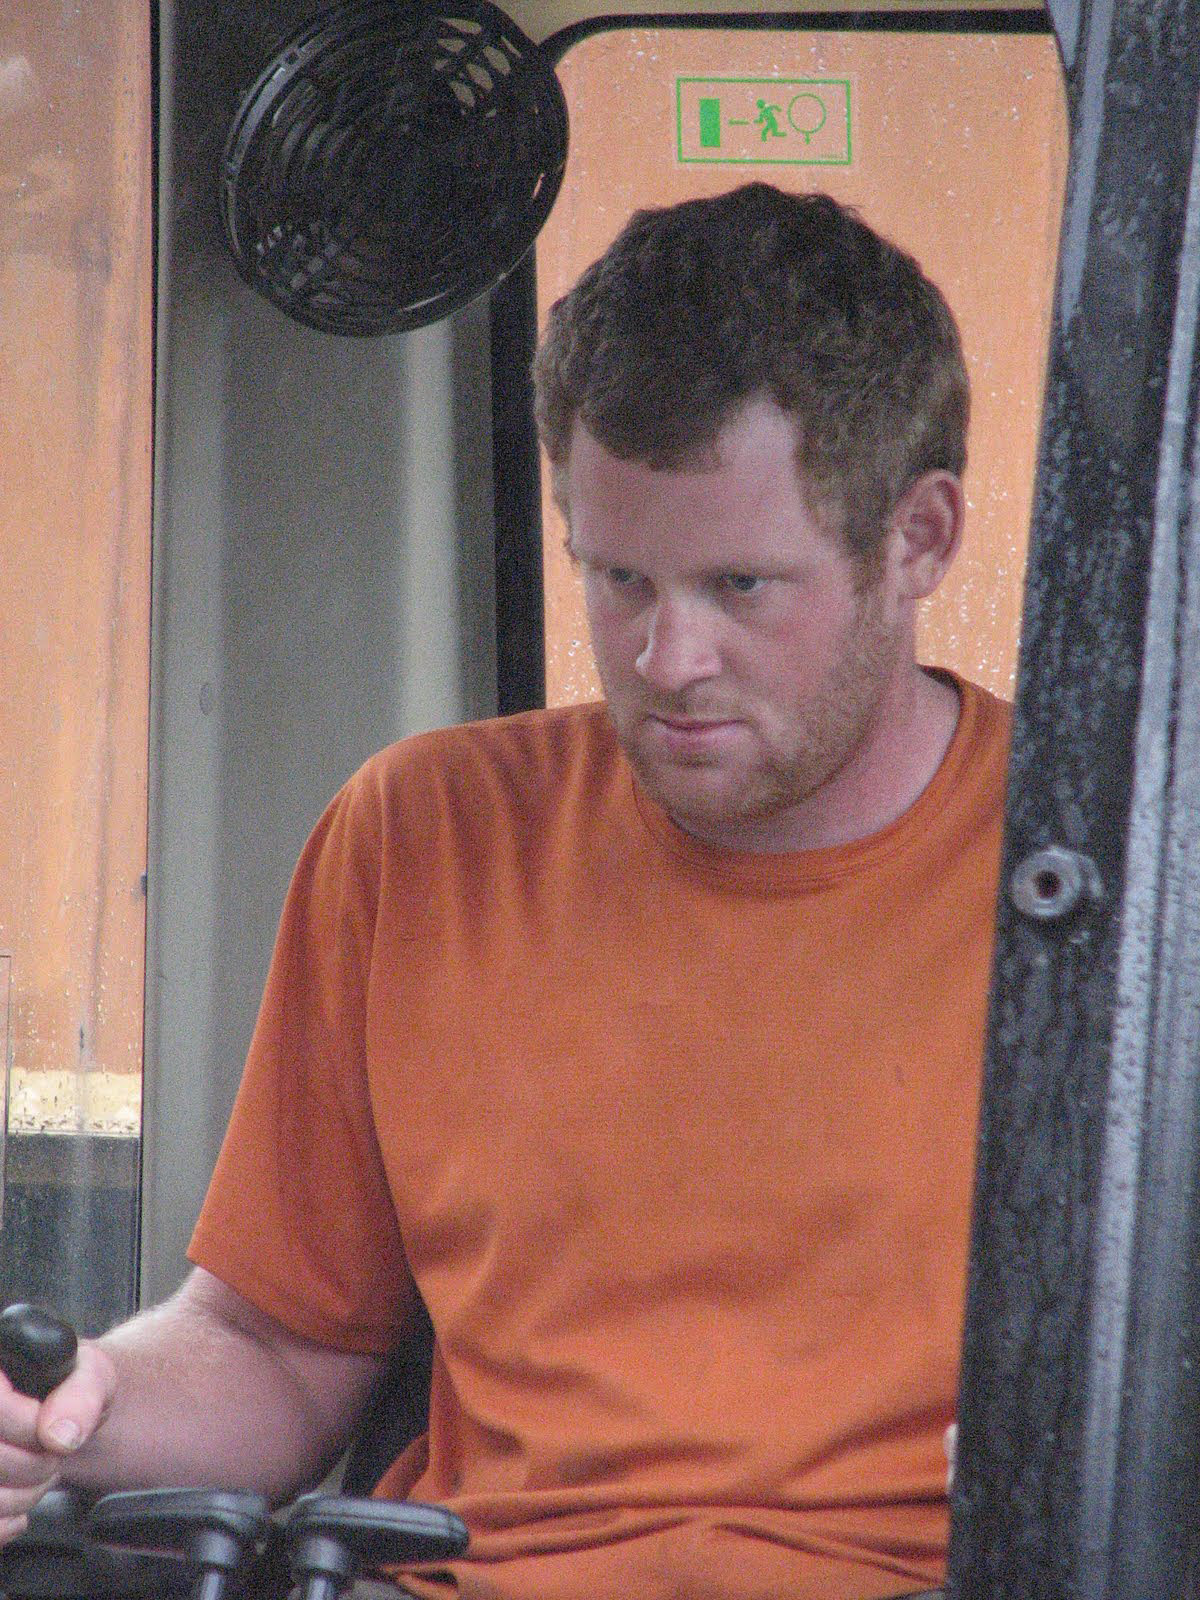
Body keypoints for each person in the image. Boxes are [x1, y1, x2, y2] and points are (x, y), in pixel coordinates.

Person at [0, 183, 1008, 1600]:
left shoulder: (1094, 887)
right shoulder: (424, 839)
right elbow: (274, 1350)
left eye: (740, 586)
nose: (666, 660)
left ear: (920, 540)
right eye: (619, 579)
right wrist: (74, 1413)